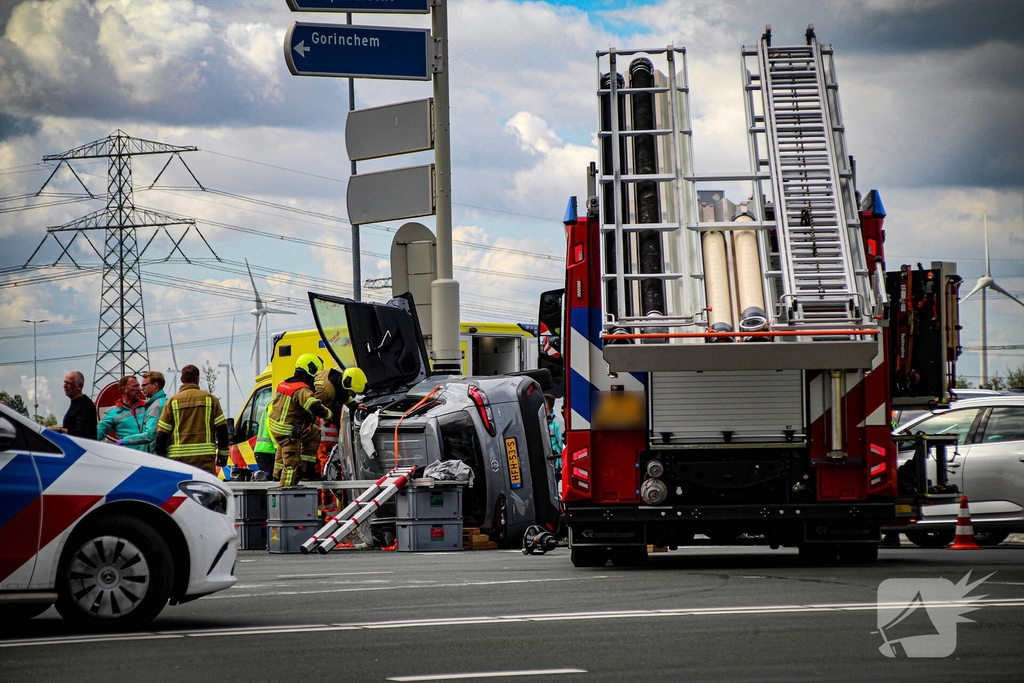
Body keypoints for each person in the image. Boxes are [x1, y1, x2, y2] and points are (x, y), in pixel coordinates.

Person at [267, 354, 333, 487]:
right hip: (289, 432)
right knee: (291, 465)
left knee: (314, 432)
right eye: (315, 375)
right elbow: (315, 407)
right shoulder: (301, 390)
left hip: (276, 427)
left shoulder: (284, 383)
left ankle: (297, 472)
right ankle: (286, 492)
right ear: (311, 370)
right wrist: (329, 414)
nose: (315, 379)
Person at [155, 364, 229, 475]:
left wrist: (159, 459)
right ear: (198, 379)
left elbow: (162, 435)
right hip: (205, 460)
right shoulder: (210, 399)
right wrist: (223, 456)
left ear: (181, 379)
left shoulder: (172, 402)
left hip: (178, 461)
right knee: (206, 489)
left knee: (180, 490)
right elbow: (222, 431)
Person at [119, 371, 167, 453]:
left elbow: (150, 435)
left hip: (155, 456)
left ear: (155, 385)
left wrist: (124, 440)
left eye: (144, 385)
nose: (141, 388)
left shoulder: (156, 406)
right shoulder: (165, 401)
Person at [95, 375, 148, 451]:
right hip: (130, 458)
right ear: (124, 390)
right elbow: (98, 433)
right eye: (135, 386)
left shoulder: (148, 405)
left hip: (152, 457)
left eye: (138, 386)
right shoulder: (112, 412)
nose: (139, 389)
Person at [49, 370, 96, 439]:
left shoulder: (85, 405)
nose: (64, 386)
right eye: (64, 382)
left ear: (79, 386)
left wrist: (58, 430)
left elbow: (83, 433)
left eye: (69, 383)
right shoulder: (76, 403)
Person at [544, 393, 563, 478]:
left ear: (546, 405)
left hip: (554, 463)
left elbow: (562, 444)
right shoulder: (542, 421)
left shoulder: (557, 423)